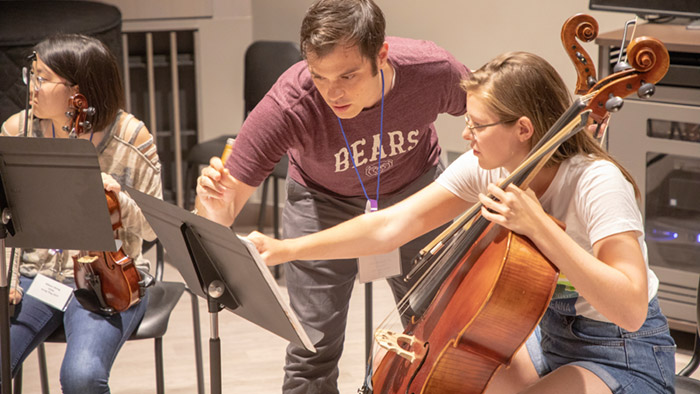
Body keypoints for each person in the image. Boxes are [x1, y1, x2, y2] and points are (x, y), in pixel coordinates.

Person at [247, 51, 676, 394]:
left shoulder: (596, 182)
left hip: (619, 351)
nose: (466, 135)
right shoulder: (489, 165)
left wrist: (540, 226)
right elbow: (392, 225)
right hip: (545, 339)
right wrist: (286, 250)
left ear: (523, 128)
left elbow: (631, 309)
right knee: (423, 371)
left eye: (477, 125)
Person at [195, 0, 468, 392]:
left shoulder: (431, 71)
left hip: (415, 194)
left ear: (381, 54)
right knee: (311, 350)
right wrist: (215, 209)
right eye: (320, 77)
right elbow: (214, 220)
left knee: (440, 332)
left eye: (348, 75)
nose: (333, 93)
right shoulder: (290, 103)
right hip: (322, 203)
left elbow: (495, 112)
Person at [1, 34, 162, 393]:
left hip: (105, 281)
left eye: (42, 79)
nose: (32, 87)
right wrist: (8, 279)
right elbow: (7, 218)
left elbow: (153, 229)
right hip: (32, 277)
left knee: (82, 377)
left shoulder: (131, 137)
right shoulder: (18, 131)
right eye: (33, 76)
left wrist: (117, 198)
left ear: (79, 90)